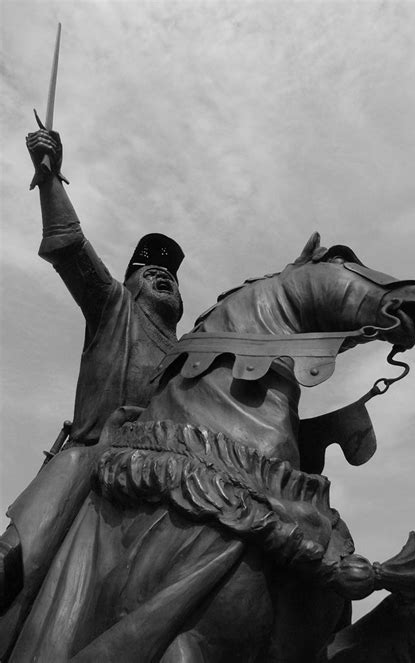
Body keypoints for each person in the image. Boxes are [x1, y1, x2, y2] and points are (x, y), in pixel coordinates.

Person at [0, 126, 184, 656]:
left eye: (171, 274)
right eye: (150, 271)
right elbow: (72, 249)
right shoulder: (112, 308)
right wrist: (50, 178)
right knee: (18, 549)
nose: (163, 276)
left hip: (160, 480)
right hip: (89, 461)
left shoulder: (190, 356)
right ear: (129, 282)